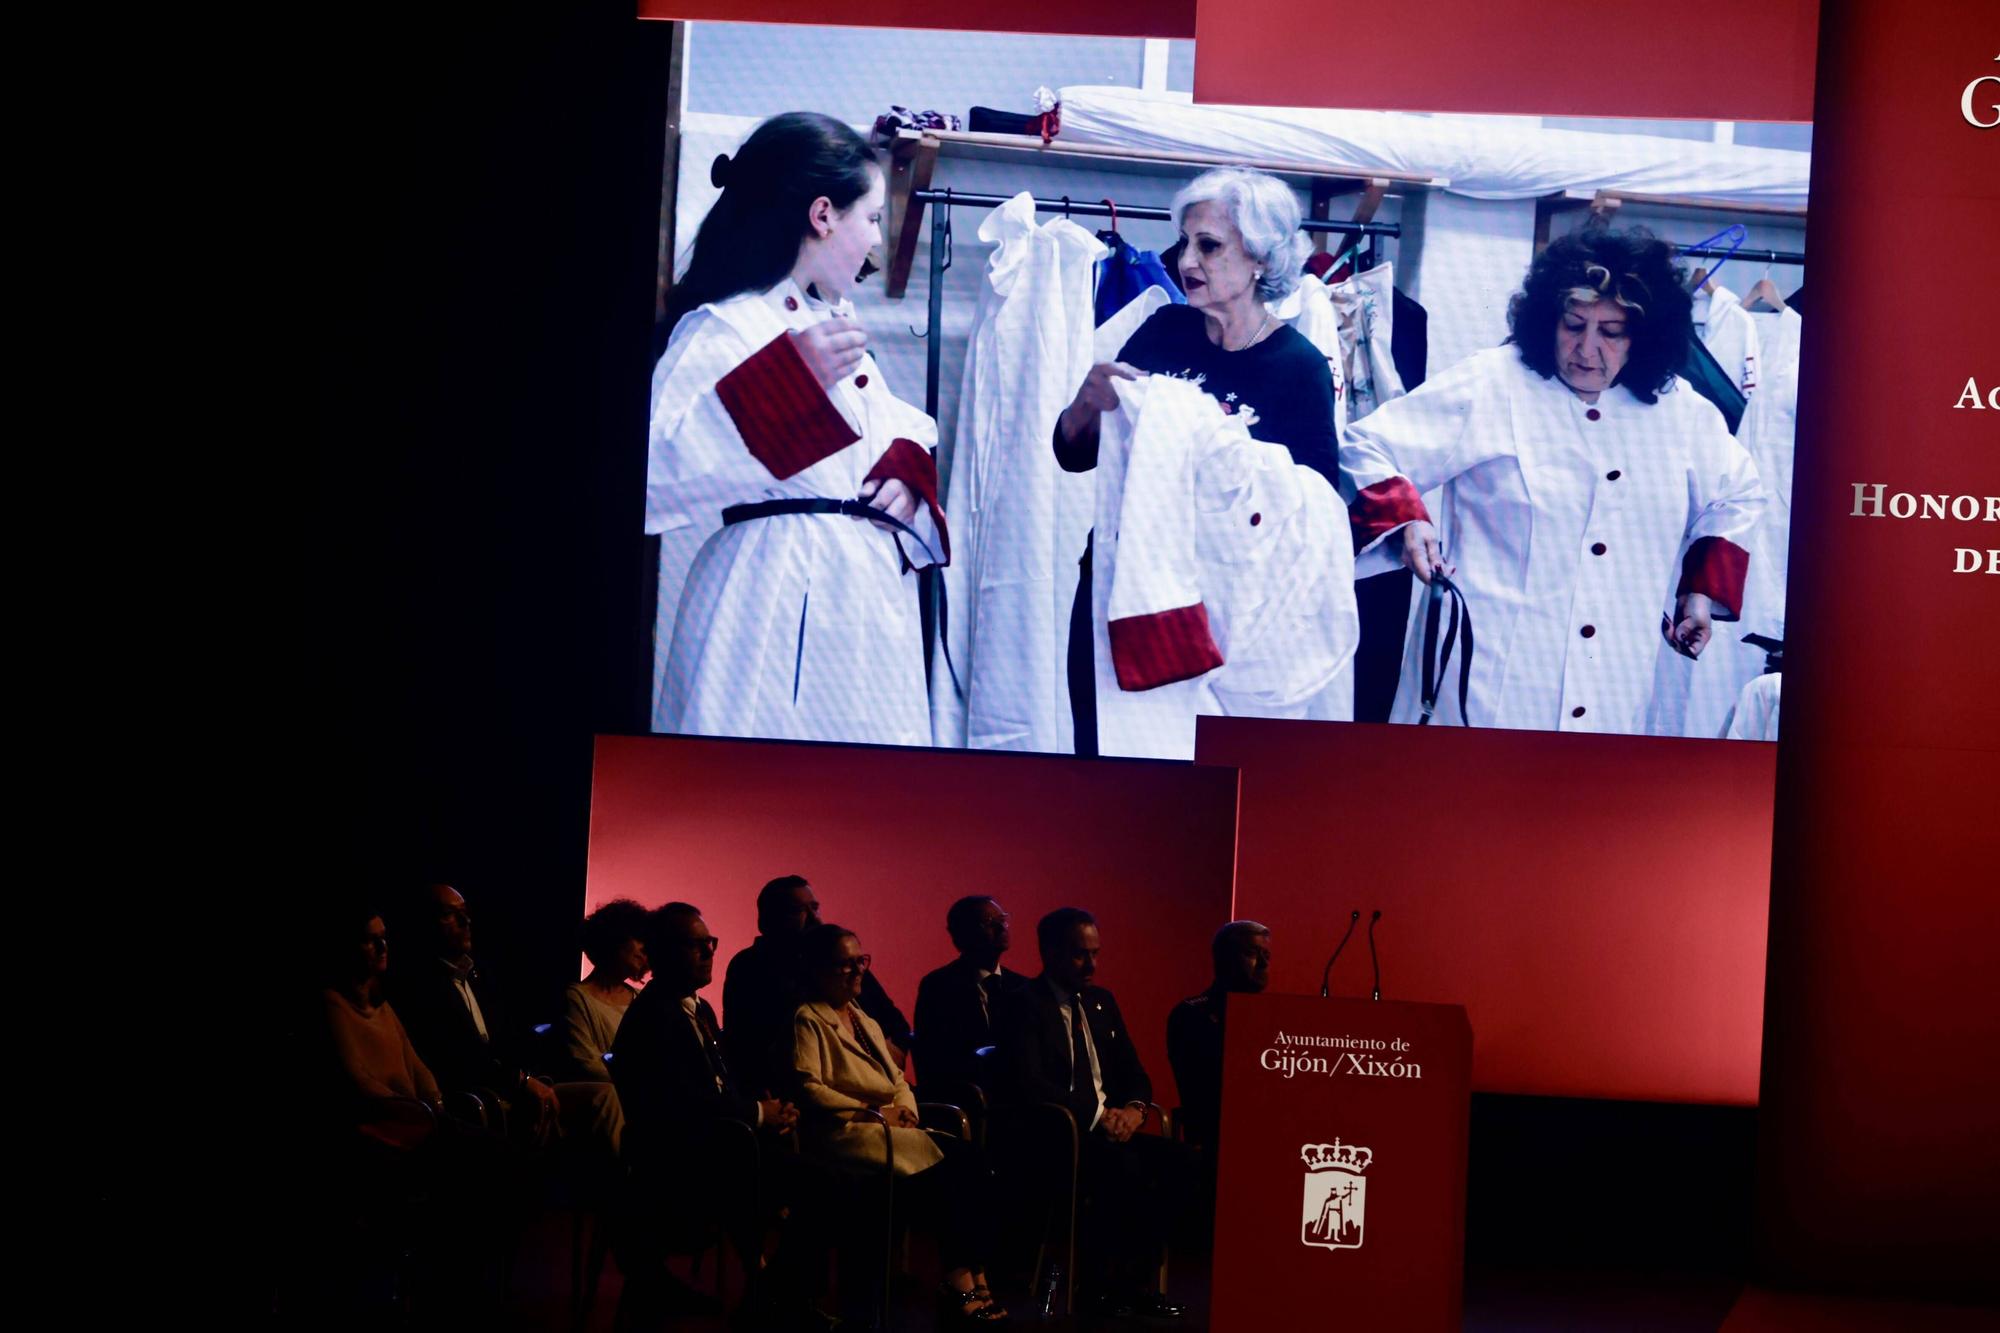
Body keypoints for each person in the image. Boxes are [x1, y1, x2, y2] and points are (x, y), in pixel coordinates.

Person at [1340, 227, 1767, 733]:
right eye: (1573, 325)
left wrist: (1697, 590)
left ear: (1645, 335)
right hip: (1484, 683)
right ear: (1548, 319)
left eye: (1611, 332)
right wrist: (1409, 520)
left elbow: (1737, 493)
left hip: (1611, 687)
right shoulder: (1495, 383)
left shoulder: (1681, 412)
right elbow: (1365, 446)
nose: (1587, 349)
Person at [647, 111, 949, 745]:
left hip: (864, 609)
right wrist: (784, 384)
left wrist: (906, 478)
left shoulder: (835, 330)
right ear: (822, 215)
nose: (875, 239)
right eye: (871, 218)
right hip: (767, 602)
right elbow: (648, 479)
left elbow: (898, 439)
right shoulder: (725, 327)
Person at [1053, 167, 1342, 756]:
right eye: (1184, 242)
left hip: (1222, 618)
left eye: (1208, 245)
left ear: (1260, 256)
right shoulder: (1163, 332)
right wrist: (1087, 399)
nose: (1186, 260)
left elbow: (1314, 518)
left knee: (1191, 776)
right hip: (1117, 589)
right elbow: (1072, 455)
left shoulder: (1299, 368)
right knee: (1103, 755)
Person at [610, 904, 839, 1332]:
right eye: (694, 945)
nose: (707, 952)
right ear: (660, 954)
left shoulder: (698, 1011)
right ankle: (777, 1296)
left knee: (816, 1168)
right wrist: (756, 1114)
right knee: (818, 1182)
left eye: (709, 943)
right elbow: (679, 1104)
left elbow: (720, 1086)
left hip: (720, 1147)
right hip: (679, 1163)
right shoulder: (654, 1017)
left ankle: (773, 1291)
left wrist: (766, 1107)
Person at [790, 924, 1007, 1325]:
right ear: (821, 969)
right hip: (849, 1131)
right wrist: (870, 1111)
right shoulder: (809, 1018)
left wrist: (907, 1109)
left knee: (975, 1162)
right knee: (956, 1167)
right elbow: (810, 1088)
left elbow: (897, 1080)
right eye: (845, 964)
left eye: (861, 962)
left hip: (888, 1126)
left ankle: (974, 1274)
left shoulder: (863, 1018)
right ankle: (960, 1280)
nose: (857, 972)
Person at [990, 908, 1188, 1319]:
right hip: (1055, 1132)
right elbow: (1029, 1083)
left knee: (1180, 1164)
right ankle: (1099, 1287)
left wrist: (1134, 1110)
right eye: (1081, 954)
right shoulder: (1022, 1004)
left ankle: (1138, 1282)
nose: (1092, 964)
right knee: (1120, 1169)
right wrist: (1100, 1116)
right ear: (1049, 952)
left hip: (1110, 1128)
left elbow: (1134, 1072)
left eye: (1096, 953)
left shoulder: (1102, 1001)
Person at [387, 881, 561, 1141]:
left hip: (509, 1086)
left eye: (465, 911)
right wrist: (521, 1081)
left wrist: (533, 1076)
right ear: (426, 923)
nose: (465, 920)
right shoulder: (418, 986)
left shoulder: (481, 975)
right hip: (472, 1098)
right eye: (449, 914)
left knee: (597, 1096)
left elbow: (509, 1036)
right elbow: (457, 1057)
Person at [723, 875, 913, 1095]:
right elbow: (750, 1045)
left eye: (815, 908)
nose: (814, 918)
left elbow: (896, 1023)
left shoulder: (840, 957)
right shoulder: (750, 966)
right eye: (799, 910)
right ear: (770, 920)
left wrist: (888, 1053)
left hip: (879, 1087)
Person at [1166, 921, 1272, 1154]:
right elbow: (1202, 1092)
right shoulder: (1192, 1015)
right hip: (1217, 1141)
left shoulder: (1275, 1020)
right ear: (1225, 958)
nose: (1263, 964)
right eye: (1252, 953)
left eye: (1267, 955)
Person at [559, 898, 651, 1152]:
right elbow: (584, 1062)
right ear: (615, 937)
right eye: (638, 938)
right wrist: (638, 1085)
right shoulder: (577, 997)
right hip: (614, 1104)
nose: (645, 949)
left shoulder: (642, 1000)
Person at [913, 896, 1024, 1092]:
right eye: (991, 923)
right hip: (967, 1097)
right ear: (963, 934)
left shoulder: (1022, 986)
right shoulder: (939, 987)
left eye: (1003, 919)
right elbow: (935, 1060)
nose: (1002, 928)